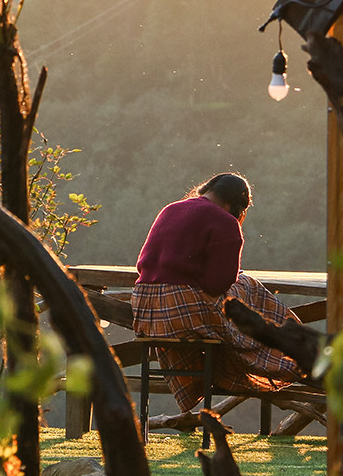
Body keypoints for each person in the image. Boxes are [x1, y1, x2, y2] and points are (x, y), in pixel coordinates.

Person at [131, 172, 314, 431]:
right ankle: (296, 354)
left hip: (145, 309)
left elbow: (145, 264)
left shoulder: (171, 209)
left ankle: (289, 350)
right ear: (236, 206)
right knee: (250, 288)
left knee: (241, 295)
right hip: (181, 308)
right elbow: (218, 284)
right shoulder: (225, 222)